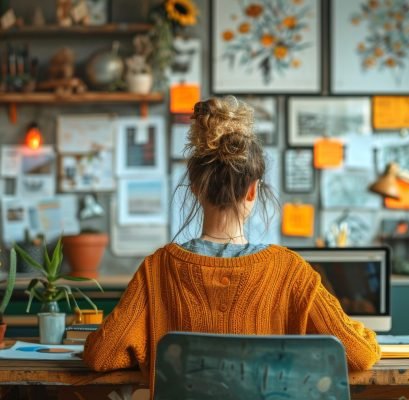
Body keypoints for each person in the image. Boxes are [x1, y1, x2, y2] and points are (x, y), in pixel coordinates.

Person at [83, 96, 381, 396]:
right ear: (253, 191)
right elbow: (360, 354)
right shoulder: (291, 271)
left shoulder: (156, 269)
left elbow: (101, 355)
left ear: (196, 187)